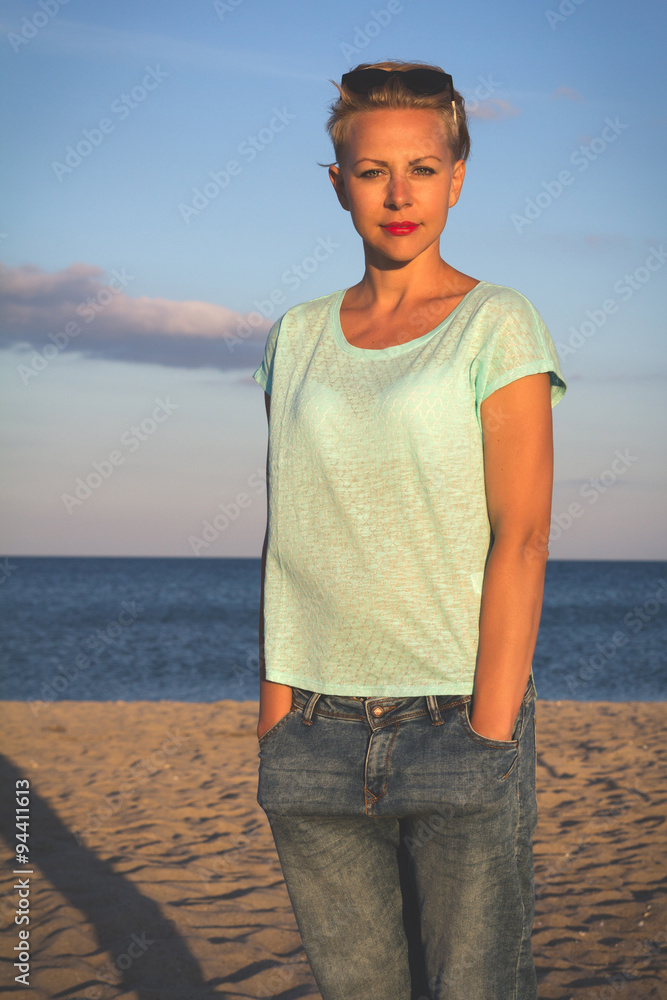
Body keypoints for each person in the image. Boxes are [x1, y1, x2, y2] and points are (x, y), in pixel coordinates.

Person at [251, 59, 567, 1000]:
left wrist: (489, 728)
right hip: (309, 729)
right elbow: (290, 530)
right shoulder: (294, 337)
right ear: (339, 181)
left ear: (458, 177)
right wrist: (275, 717)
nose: (398, 194)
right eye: (371, 170)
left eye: (423, 168)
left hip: (452, 718)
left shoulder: (496, 324)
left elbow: (521, 535)